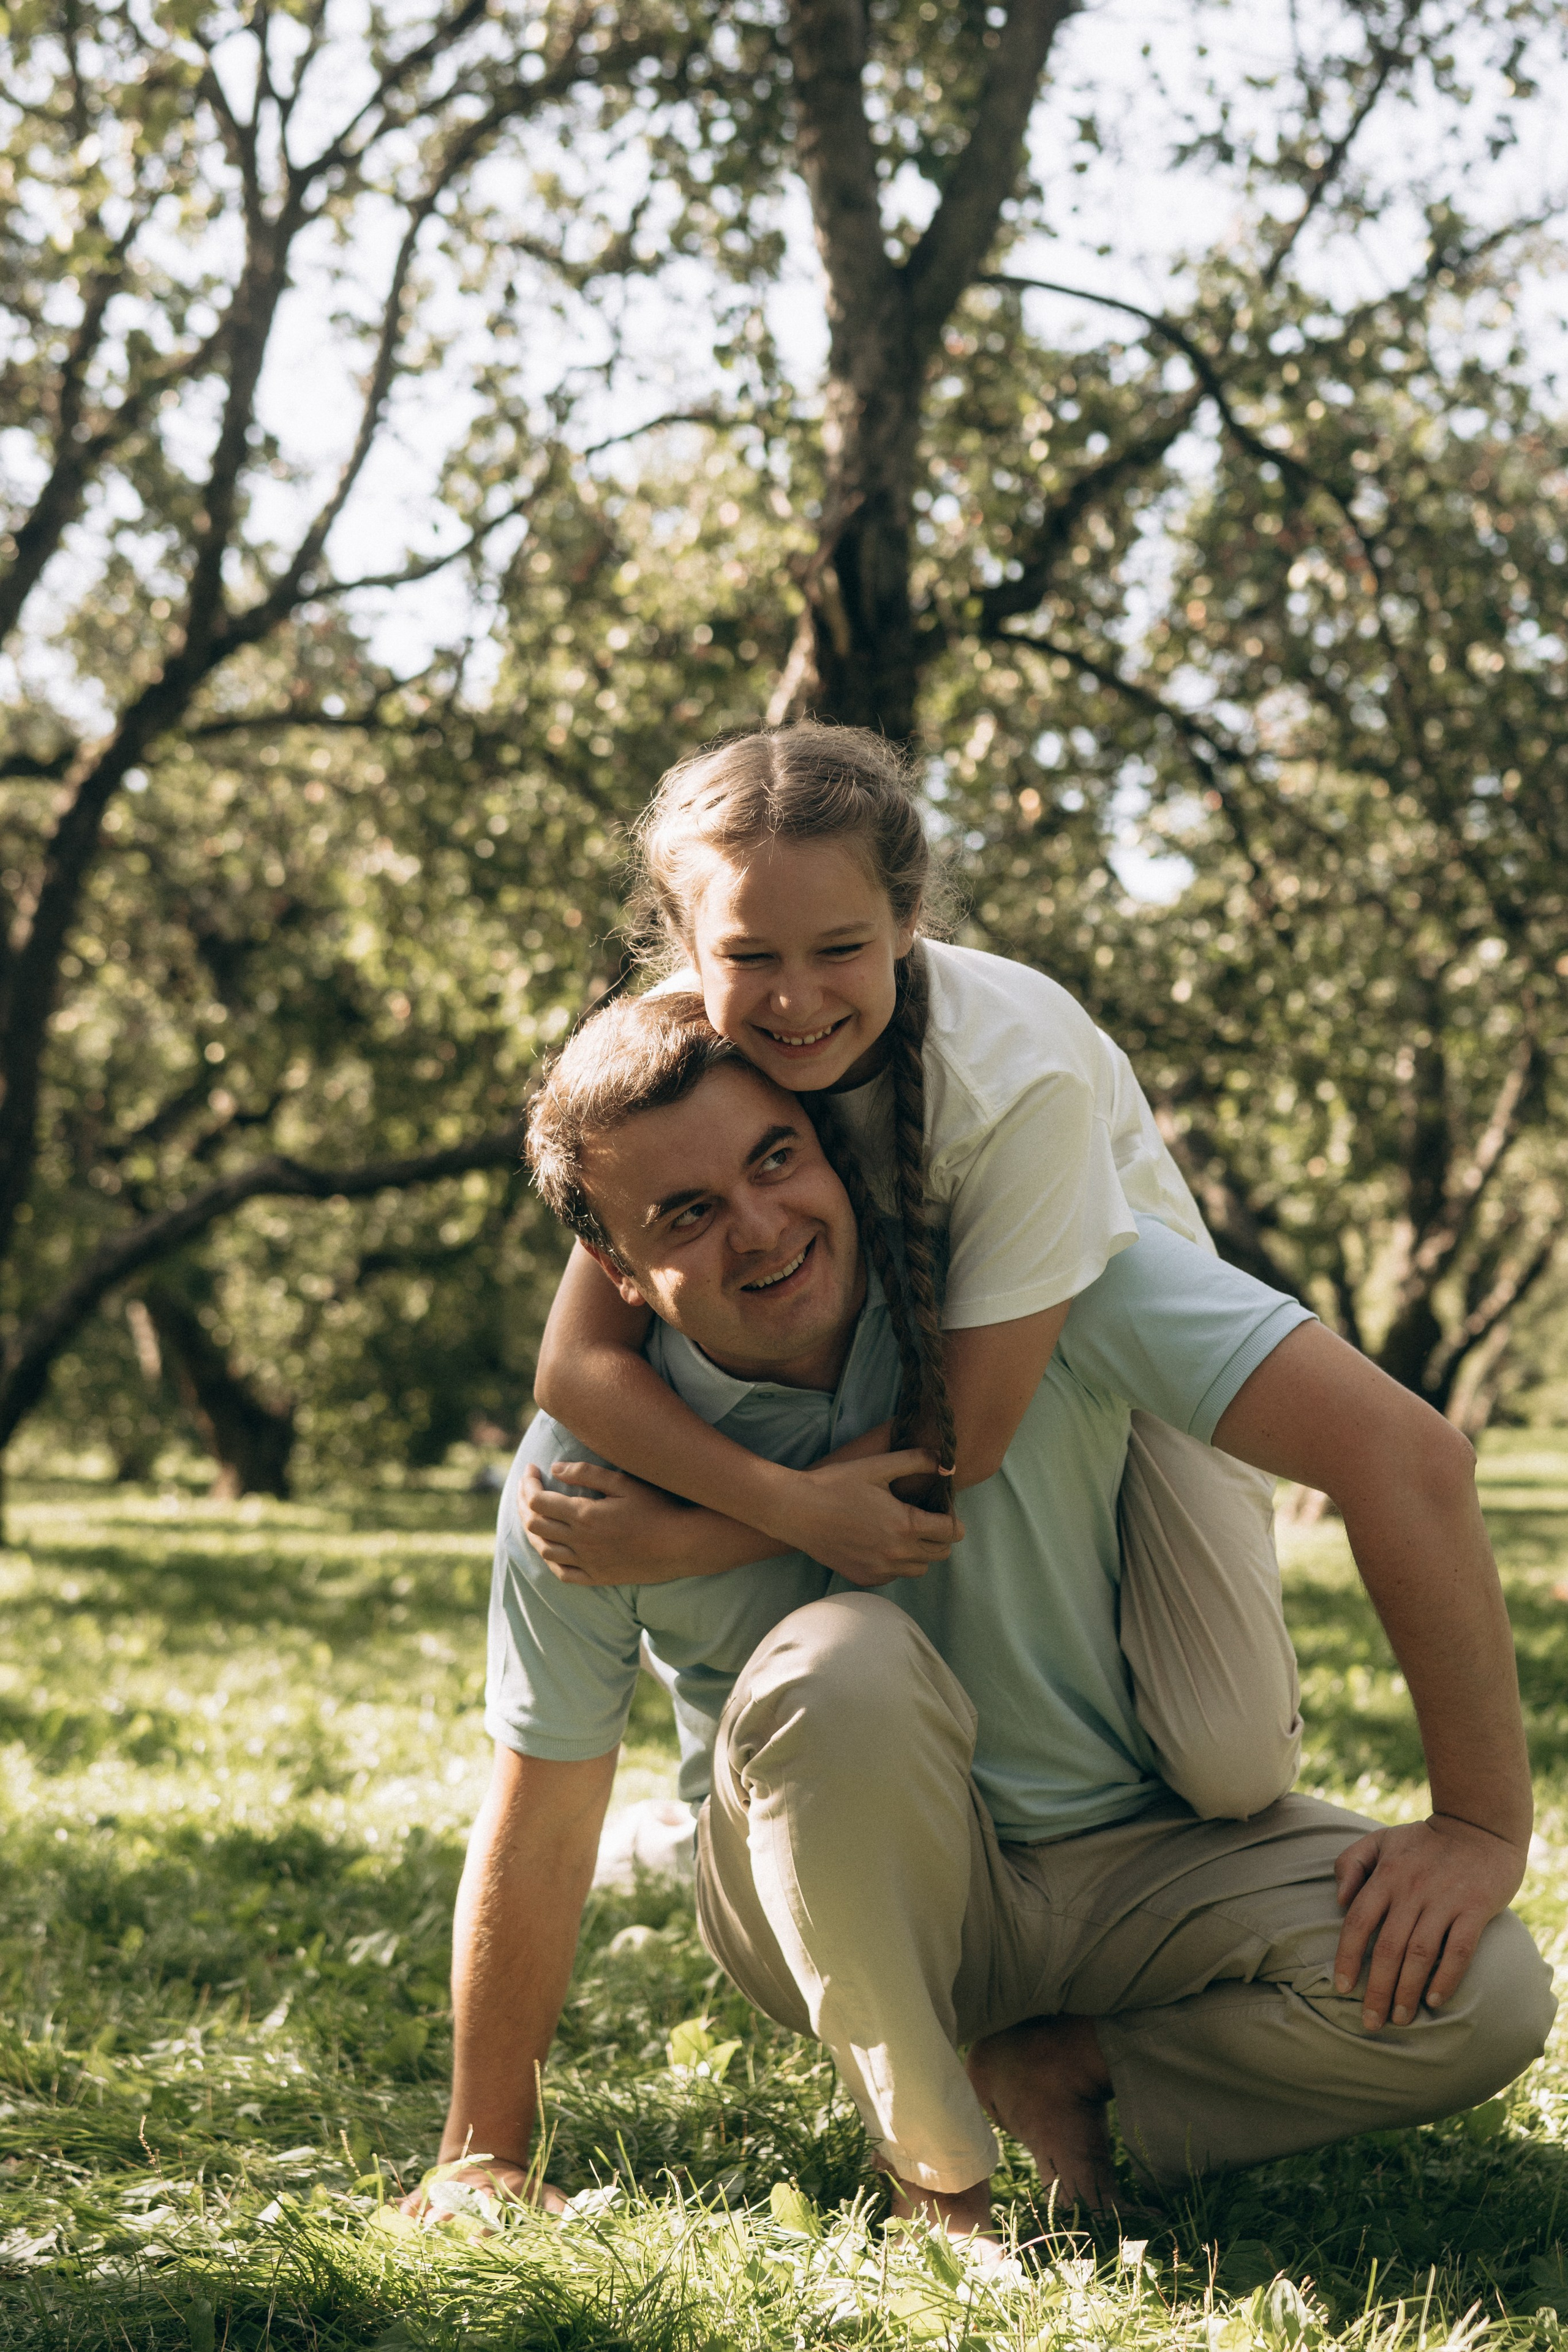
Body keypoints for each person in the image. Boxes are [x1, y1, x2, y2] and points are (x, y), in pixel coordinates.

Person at [412, 993, 1552, 2250]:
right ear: (618, 1275)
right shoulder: (583, 1485)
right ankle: (940, 2181)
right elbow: (543, 1808)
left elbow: (1406, 1458)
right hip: (848, 1907)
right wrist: (483, 2150)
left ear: (830, 1154)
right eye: (686, 1215)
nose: (758, 1227)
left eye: (774, 1159)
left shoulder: (1032, 1288)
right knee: (838, 1664)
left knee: (1486, 1995)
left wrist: (1475, 1825)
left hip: (1135, 1863)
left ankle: (1065, 2068)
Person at [531, 723, 1301, 1823]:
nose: (793, 1000)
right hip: (888, 1357)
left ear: (907, 919)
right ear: (691, 949)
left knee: (1231, 1766)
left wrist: (689, 1538)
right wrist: (784, 1500)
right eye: (750, 957)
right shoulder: (702, 1041)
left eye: (837, 948)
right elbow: (574, 1364)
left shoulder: (1014, 1069)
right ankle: (725, 1811)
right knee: (916, 1698)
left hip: (1108, 1364)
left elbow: (969, 1438)